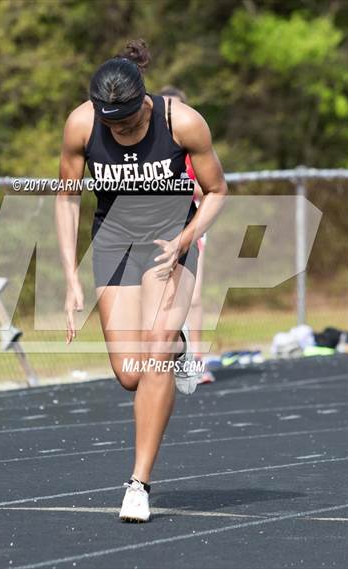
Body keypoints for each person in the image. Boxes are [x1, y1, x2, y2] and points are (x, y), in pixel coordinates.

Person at [56, 39, 227, 523]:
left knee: (154, 347)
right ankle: (177, 348)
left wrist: (188, 237)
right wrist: (71, 277)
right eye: (114, 126)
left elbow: (217, 191)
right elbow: (67, 199)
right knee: (129, 372)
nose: (123, 133)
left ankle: (138, 483)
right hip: (113, 244)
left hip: (169, 241)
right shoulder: (81, 125)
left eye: (131, 124)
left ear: (145, 103)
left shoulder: (184, 122)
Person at [158, 87, 213, 380]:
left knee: (193, 297)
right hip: (154, 231)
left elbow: (209, 189)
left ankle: (197, 361)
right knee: (160, 299)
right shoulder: (147, 146)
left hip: (189, 228)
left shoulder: (190, 146)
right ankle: (169, 356)